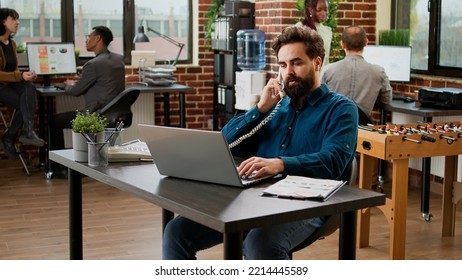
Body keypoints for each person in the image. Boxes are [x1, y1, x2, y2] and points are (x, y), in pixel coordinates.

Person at [162, 25, 358, 260]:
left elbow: (334, 161)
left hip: (308, 202)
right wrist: (259, 108)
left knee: (258, 242)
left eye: (296, 63)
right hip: (257, 197)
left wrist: (281, 163)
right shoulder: (275, 107)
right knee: (176, 231)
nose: (288, 72)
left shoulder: (341, 108)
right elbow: (226, 142)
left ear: (317, 63)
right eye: (283, 65)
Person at [50, 25, 125, 178]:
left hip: (96, 116)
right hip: (115, 115)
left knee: (54, 121)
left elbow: (76, 91)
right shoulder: (118, 59)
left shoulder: (93, 64)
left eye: (88, 36)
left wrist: (69, 86)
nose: (86, 40)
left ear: (98, 39)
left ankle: (60, 168)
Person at [0, 8, 45, 160]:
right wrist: (19, 76)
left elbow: (14, 69)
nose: (17, 22)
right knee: (24, 101)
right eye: (13, 19)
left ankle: (26, 131)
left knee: (29, 88)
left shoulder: (11, 43)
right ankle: (11, 136)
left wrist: (25, 76)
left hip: (8, 84)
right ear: (2, 22)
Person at [321, 25, 392, 116]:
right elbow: (386, 99)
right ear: (366, 42)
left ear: (342, 44)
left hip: (333, 126)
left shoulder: (328, 70)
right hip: (363, 128)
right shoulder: (379, 72)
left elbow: (319, 99)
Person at [302, 0, 332, 67]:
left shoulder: (328, 31)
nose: (323, 13)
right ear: (310, 10)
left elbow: (326, 59)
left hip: (322, 75)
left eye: (325, 10)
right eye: (319, 10)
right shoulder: (300, 28)